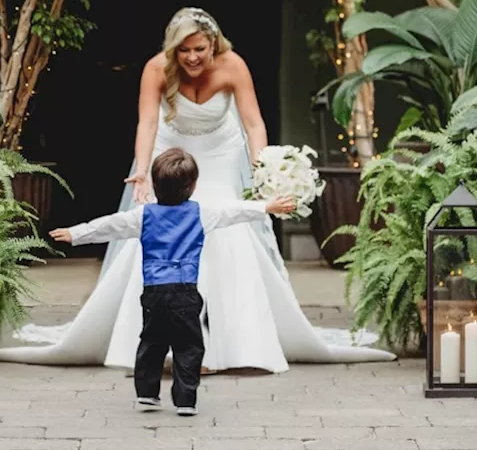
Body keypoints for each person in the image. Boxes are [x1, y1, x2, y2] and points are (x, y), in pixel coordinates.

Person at [0, 7, 395, 372]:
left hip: (218, 155)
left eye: (200, 49)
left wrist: (263, 169)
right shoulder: (155, 69)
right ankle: (144, 342)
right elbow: (147, 123)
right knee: (156, 230)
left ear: (213, 44)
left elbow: (253, 124)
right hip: (171, 150)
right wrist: (143, 170)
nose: (193, 58)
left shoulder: (233, 65)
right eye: (184, 51)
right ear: (173, 50)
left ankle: (238, 345)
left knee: (226, 232)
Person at [49, 148, 299, 414]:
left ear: (154, 186)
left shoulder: (142, 215)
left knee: (151, 342)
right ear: (192, 186)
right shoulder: (202, 213)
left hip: (154, 291)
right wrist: (266, 207)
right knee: (189, 346)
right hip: (185, 291)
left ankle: (147, 394)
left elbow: (109, 226)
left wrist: (75, 233)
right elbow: (233, 211)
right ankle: (185, 399)